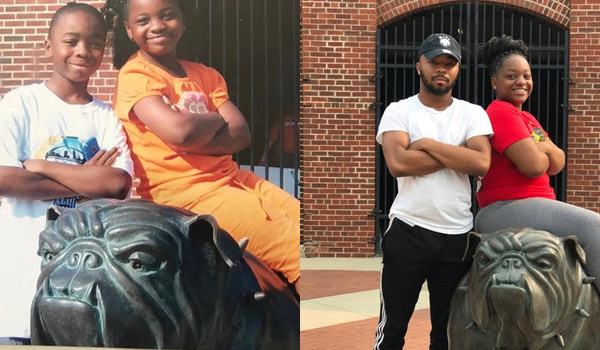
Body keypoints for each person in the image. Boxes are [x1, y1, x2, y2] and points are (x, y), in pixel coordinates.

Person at [101, 0, 300, 289]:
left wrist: (190, 131)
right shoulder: (136, 75)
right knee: (293, 251)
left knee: (302, 226)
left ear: (183, 22)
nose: (157, 26)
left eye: (167, 16)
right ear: (129, 30)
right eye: (143, 21)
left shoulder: (205, 74)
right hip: (187, 195)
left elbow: (241, 133)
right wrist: (215, 119)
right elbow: (179, 132)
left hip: (233, 180)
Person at [0, 2, 134, 344]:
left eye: (95, 43)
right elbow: (5, 178)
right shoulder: (20, 103)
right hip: (20, 289)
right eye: (71, 40)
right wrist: (86, 180)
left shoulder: (105, 117)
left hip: (85, 293)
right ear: (49, 46)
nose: (83, 51)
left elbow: (117, 184)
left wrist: (40, 166)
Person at [373, 33, 493, 350]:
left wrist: (425, 145)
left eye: (449, 64)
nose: (441, 69)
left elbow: (480, 162)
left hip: (457, 237)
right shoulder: (398, 111)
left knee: (448, 334)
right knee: (392, 330)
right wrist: (457, 154)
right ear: (419, 66)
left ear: (457, 70)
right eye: (434, 62)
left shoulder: (473, 113)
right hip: (408, 230)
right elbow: (398, 163)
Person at [475, 35, 600, 293]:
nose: (521, 81)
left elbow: (557, 163)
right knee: (593, 225)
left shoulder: (527, 118)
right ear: (494, 81)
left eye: (527, 75)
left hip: (533, 204)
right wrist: (543, 150)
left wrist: (539, 149)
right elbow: (533, 166)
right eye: (511, 76)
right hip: (504, 207)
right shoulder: (500, 111)